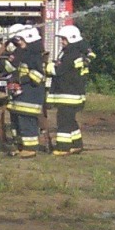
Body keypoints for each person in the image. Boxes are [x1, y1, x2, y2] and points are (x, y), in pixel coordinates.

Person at [48, 23, 95, 156]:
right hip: (74, 94)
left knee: (63, 121)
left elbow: (58, 71)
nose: (62, 42)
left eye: (64, 39)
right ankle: (76, 144)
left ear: (71, 39)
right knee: (70, 120)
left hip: (68, 95)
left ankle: (63, 147)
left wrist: (47, 67)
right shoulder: (76, 54)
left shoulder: (71, 55)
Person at [3, 23, 47, 158]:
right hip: (21, 96)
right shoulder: (25, 54)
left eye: (19, 40)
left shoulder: (34, 56)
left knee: (27, 122)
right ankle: (20, 145)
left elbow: (39, 75)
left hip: (30, 96)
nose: (18, 43)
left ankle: (30, 148)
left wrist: (20, 81)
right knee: (17, 122)